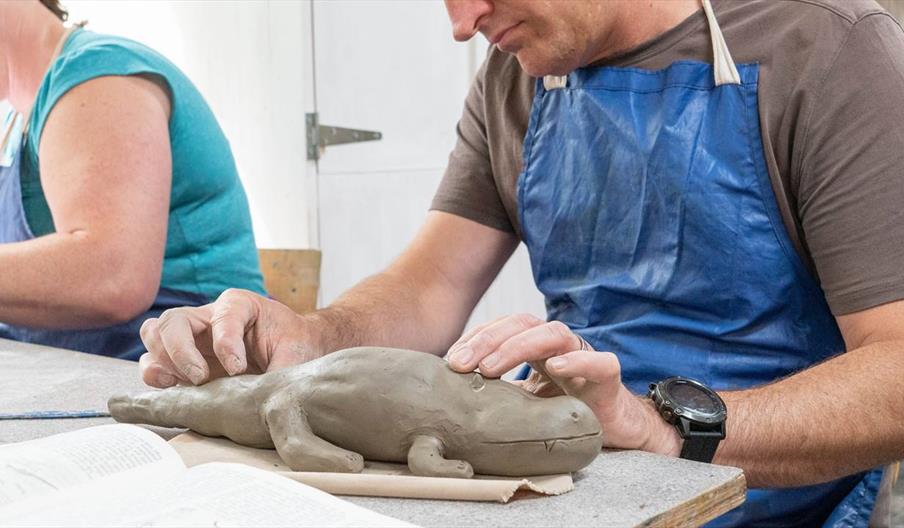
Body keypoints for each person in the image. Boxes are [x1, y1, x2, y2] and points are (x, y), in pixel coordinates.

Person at [139, 0, 904, 525]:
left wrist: (661, 425)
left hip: (774, 495)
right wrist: (309, 337)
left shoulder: (827, 49)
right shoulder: (520, 75)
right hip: (573, 481)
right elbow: (428, 287)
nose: (462, 24)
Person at [0, 0, 265, 360]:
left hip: (183, 374)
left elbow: (112, 276)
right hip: (80, 370)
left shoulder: (100, 77)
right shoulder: (14, 121)